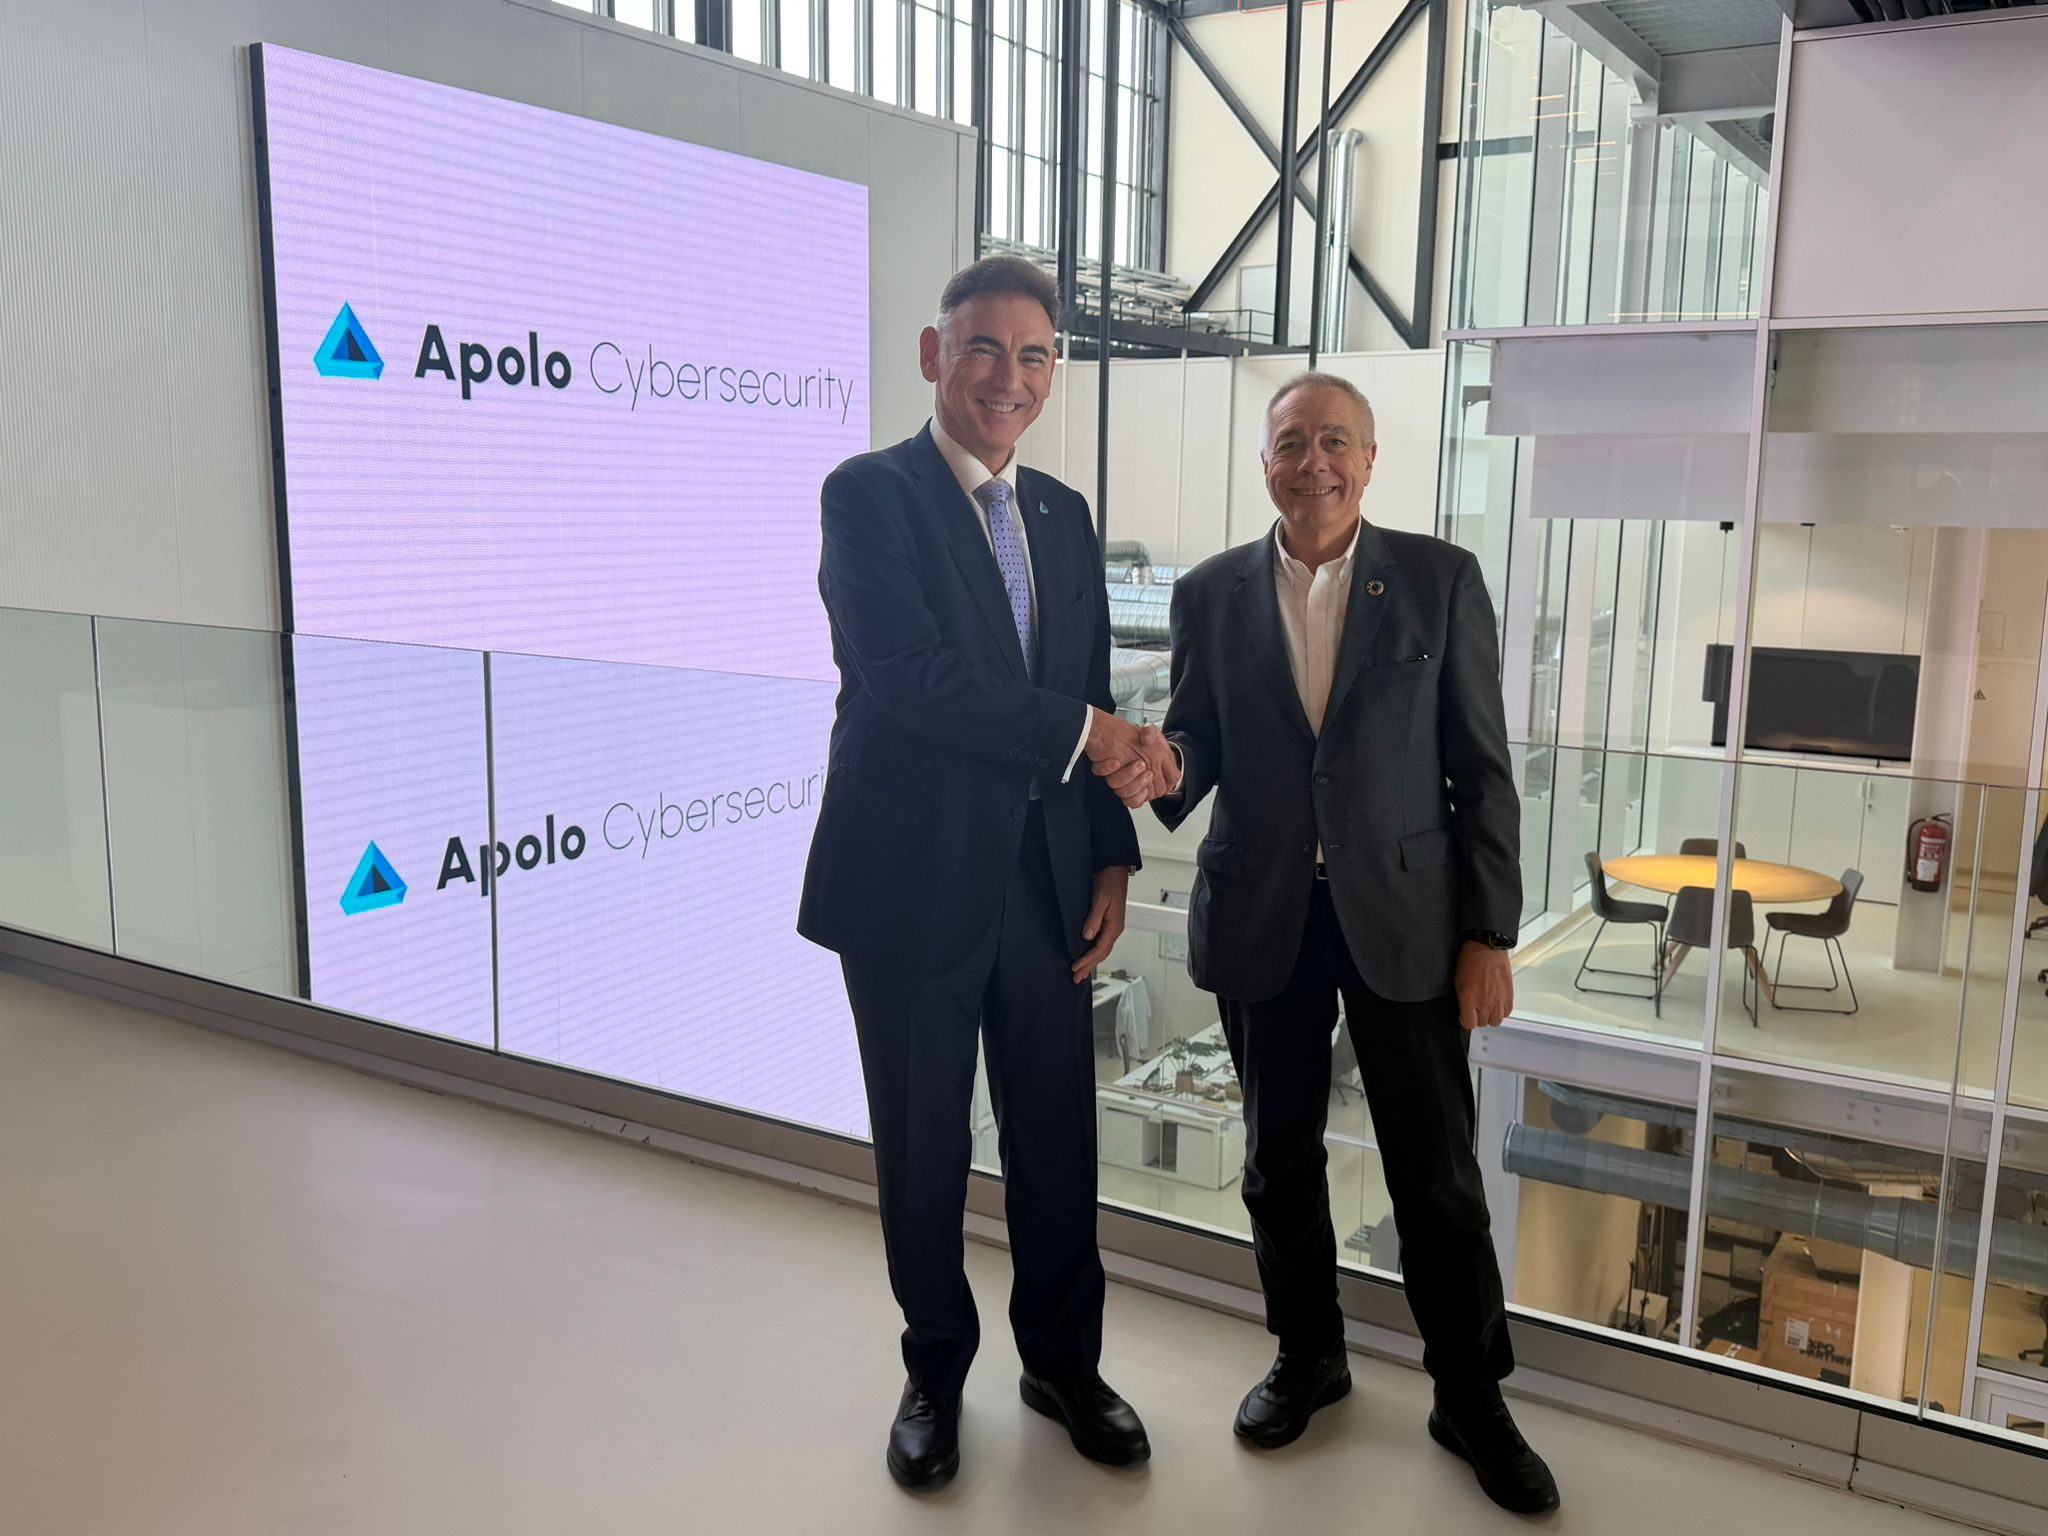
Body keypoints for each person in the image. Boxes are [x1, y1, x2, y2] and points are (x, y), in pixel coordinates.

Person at [1113, 372, 1559, 1514]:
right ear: (1264, 461)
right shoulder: (1211, 592)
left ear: (1368, 461)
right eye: (1290, 443)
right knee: (1276, 1160)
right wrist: (1161, 766)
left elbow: (1481, 770)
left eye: (1334, 442)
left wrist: (1488, 932)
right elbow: (1199, 743)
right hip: (1263, 911)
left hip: (1405, 920)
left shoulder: (1439, 580)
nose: (1311, 462)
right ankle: (1308, 1354)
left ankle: (1468, 1394)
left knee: (1436, 1175)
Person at [798, 255, 1176, 1492]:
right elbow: (910, 677)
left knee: (1055, 1138)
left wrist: (1110, 851)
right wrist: (1088, 736)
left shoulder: (1060, 513)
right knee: (921, 1150)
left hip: (1047, 881)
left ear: (1051, 370)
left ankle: (1062, 1364)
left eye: (1032, 356)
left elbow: (1089, 683)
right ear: (932, 354)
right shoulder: (868, 495)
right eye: (982, 348)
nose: (1007, 378)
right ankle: (934, 1373)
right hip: (910, 883)